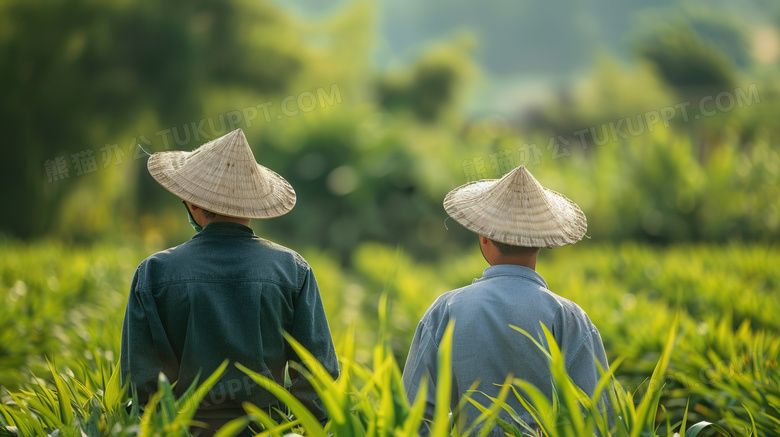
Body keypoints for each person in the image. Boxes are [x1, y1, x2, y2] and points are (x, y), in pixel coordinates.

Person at [120, 128, 339, 436]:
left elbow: (139, 385)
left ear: (192, 204)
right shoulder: (292, 270)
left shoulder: (154, 273)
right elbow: (318, 376)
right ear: (251, 207)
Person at [402, 164, 611, 435]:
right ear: (542, 242)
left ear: (484, 236)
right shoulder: (570, 318)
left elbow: (415, 417)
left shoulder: (445, 311)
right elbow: (597, 420)